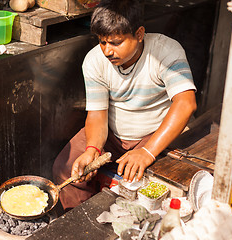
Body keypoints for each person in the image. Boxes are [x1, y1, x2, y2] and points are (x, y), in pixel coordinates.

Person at [53, 0, 197, 211]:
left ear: (139, 34)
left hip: (154, 134)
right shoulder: (94, 61)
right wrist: (92, 149)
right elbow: (97, 115)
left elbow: (186, 104)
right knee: (66, 169)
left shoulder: (166, 51)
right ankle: (82, 222)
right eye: (102, 42)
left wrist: (148, 152)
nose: (107, 51)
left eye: (116, 42)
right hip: (111, 134)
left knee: (151, 183)